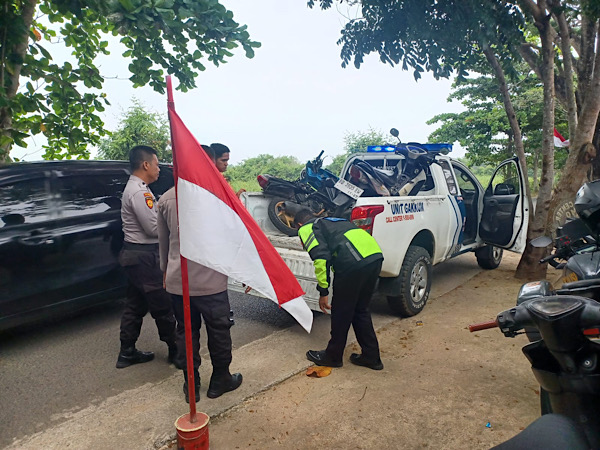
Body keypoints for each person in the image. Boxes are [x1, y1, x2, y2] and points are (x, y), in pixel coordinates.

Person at [157, 154, 243, 403]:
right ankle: (220, 381)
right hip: (211, 283)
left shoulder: (166, 198)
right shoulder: (219, 197)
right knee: (219, 331)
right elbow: (234, 238)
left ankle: (190, 385)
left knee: (185, 332)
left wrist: (165, 273)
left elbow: (163, 244)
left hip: (178, 282)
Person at [295, 208, 385, 370]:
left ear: (299, 224)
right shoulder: (332, 221)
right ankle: (371, 357)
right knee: (360, 310)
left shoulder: (306, 228)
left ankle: (333, 356)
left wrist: (323, 291)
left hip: (353, 263)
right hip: (374, 256)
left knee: (341, 312)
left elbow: (321, 259)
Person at [116, 145, 177, 369]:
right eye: (157, 164)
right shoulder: (139, 192)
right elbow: (153, 228)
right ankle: (176, 350)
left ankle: (127, 352)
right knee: (163, 305)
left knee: (135, 304)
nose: (159, 169)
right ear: (146, 165)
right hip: (144, 257)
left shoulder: (138, 188)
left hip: (135, 255)